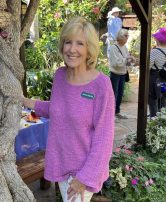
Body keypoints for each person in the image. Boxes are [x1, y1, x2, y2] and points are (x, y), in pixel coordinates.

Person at [22, 17, 115, 202]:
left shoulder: (101, 85)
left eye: (80, 43)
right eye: (68, 42)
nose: (72, 49)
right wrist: (24, 100)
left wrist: (84, 178)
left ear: (89, 48)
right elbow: (59, 109)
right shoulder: (60, 76)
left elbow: (104, 138)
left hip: (82, 172)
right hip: (61, 163)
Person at [108, 29, 135, 119]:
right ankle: (111, 113)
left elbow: (126, 61)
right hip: (115, 74)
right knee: (113, 94)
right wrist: (128, 59)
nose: (128, 38)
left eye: (128, 36)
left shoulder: (124, 47)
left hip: (123, 73)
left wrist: (131, 60)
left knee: (120, 94)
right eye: (126, 36)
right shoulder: (113, 48)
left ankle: (117, 111)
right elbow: (117, 63)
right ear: (120, 37)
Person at [149, 27, 166, 117]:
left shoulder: (155, 51)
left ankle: (154, 118)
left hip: (155, 79)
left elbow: (148, 66)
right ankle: (162, 117)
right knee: (163, 97)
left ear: (158, 39)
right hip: (165, 79)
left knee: (153, 99)